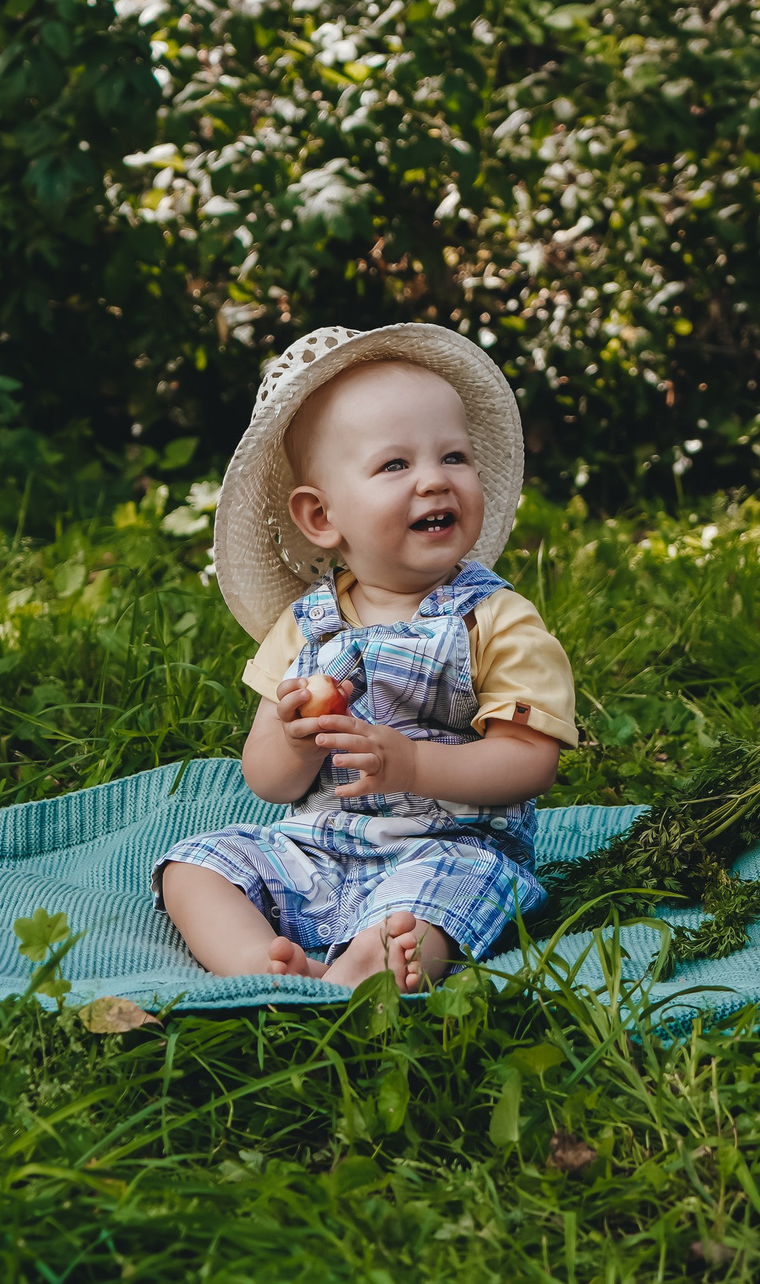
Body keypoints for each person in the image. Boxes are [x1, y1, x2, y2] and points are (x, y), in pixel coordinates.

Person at [154, 325, 578, 991]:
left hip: (450, 847)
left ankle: (363, 973)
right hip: (318, 847)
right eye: (395, 465)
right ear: (321, 517)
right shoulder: (304, 627)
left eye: (455, 456)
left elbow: (532, 761)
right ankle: (258, 964)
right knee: (192, 866)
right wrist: (293, 742)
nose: (435, 481)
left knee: (425, 911)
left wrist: (413, 763)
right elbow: (268, 780)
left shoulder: (495, 619)